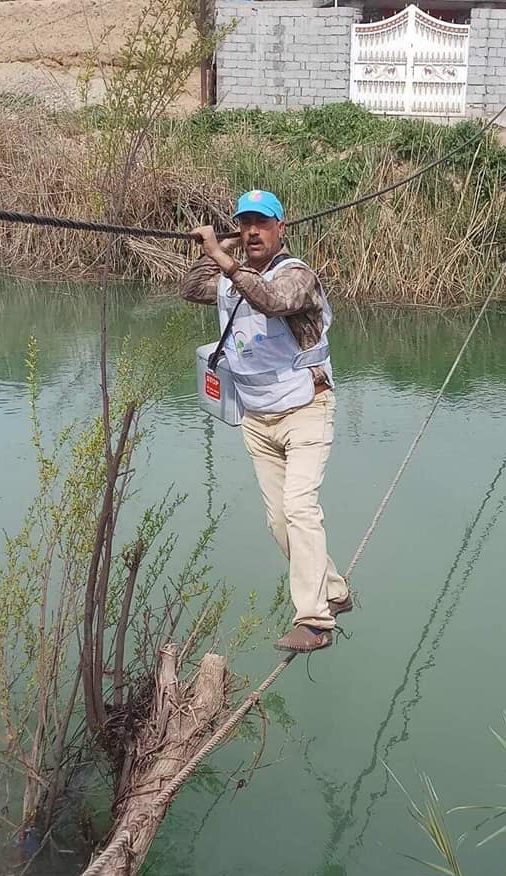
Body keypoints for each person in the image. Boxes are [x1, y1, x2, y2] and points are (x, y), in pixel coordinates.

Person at [181, 190, 352, 654]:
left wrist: (226, 259)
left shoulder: (297, 275)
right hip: (258, 417)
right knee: (279, 521)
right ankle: (335, 591)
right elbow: (193, 286)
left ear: (282, 228)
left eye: (262, 223)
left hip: (306, 411)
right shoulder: (234, 272)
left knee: (299, 508)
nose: (253, 230)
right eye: (245, 222)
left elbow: (274, 302)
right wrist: (222, 249)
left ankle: (315, 621)